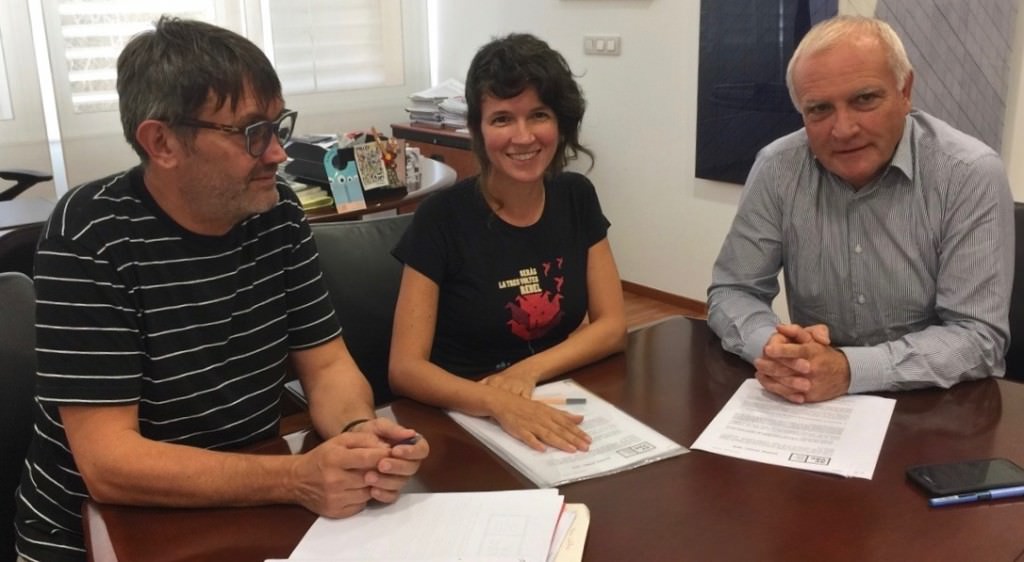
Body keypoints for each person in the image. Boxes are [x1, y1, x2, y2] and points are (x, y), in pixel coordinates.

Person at [14, 17, 428, 562]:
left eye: (279, 125)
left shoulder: (278, 212)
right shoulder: (91, 232)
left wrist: (359, 437)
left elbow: (326, 366)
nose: (278, 153)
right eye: (253, 132)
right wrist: (294, 478)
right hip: (100, 531)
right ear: (161, 141)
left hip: (241, 499)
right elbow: (109, 464)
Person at [707, 15, 1014, 404]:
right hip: (815, 399)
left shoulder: (968, 173)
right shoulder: (777, 167)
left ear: (905, 91)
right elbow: (734, 289)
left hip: (935, 405)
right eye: (819, 109)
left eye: (864, 99)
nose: (844, 129)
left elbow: (978, 336)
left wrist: (849, 369)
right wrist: (777, 350)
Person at [388, 33, 627, 453]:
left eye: (538, 115)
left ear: (561, 123)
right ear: (479, 130)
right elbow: (405, 369)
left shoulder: (576, 197)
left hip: (552, 397)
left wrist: (526, 373)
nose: (523, 136)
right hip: (462, 416)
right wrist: (497, 401)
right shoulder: (440, 218)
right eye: (502, 119)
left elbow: (611, 327)